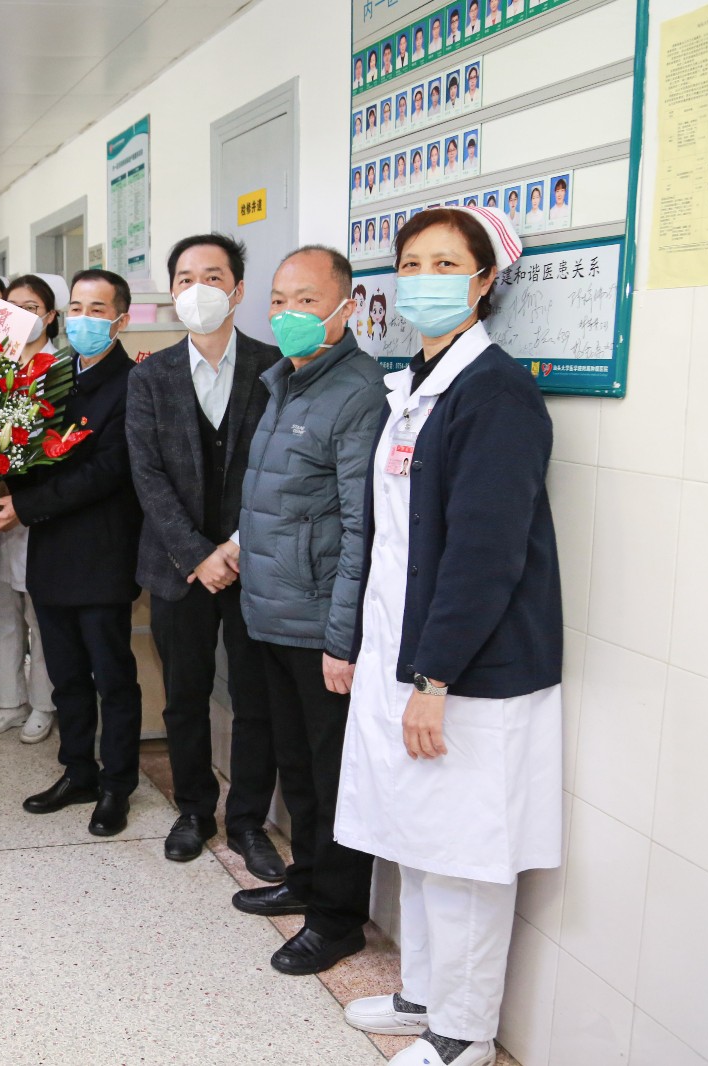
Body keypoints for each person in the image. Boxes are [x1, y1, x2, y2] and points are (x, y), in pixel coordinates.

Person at [336, 206, 562, 1066]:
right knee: (418, 834)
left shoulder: (495, 393)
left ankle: (465, 1031)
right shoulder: (417, 385)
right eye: (410, 263)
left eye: (444, 263)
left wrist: (434, 678)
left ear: (483, 280)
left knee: (464, 849)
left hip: (467, 670)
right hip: (407, 653)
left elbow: (485, 551)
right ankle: (424, 995)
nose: (422, 279)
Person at [226, 248, 382, 977]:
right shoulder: (286, 381)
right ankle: (308, 880)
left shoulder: (357, 393)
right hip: (271, 614)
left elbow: (360, 528)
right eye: (280, 300)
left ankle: (338, 919)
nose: (290, 314)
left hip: (319, 624)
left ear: (347, 306)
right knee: (297, 767)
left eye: (308, 301)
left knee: (331, 778)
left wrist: (341, 640)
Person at [124, 233, 283, 878]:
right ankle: (193, 810)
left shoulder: (275, 368)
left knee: (255, 698)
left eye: (213, 277)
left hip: (256, 563)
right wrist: (198, 553)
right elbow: (147, 476)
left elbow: (281, 470)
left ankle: (247, 821)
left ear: (237, 291)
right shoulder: (150, 376)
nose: (199, 290)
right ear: (172, 293)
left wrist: (236, 547)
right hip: (177, 566)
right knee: (184, 695)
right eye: (186, 278)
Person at [0, 269, 143, 836]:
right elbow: (27, 454)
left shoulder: (133, 384)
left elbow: (108, 470)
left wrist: (24, 505)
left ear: (120, 320)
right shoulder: (52, 377)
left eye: (97, 310)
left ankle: (117, 784)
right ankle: (78, 770)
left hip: (102, 554)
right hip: (51, 552)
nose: (83, 319)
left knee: (112, 678)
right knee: (66, 675)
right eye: (76, 307)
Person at [0, 273, 60, 744]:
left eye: (32, 308)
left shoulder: (61, 370)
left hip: (35, 511)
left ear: (50, 315)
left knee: (38, 617)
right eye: (13, 307)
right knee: (0, 613)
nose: (22, 316)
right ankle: (10, 701)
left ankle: (43, 704)